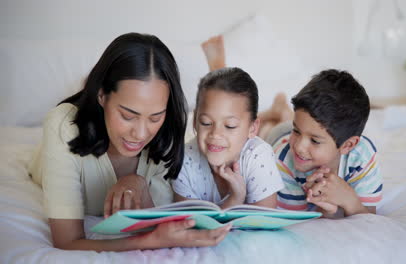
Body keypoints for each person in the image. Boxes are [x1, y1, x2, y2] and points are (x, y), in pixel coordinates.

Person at [28, 32, 230, 251]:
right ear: (102, 95)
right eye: (128, 115)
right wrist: (150, 241)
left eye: (155, 116)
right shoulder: (63, 126)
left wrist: (138, 183)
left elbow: (158, 217)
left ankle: (219, 74)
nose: (141, 134)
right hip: (46, 157)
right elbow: (67, 241)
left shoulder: (167, 133)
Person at [201, 35, 382, 218]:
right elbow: (294, 221)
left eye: (315, 140)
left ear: (348, 145)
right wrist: (327, 208)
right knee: (248, 133)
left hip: (293, 127)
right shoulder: (282, 158)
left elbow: (368, 217)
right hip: (278, 137)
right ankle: (220, 75)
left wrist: (349, 198)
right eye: (297, 131)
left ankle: (280, 111)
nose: (299, 146)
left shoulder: (363, 155)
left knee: (285, 124)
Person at [172, 67, 284, 209]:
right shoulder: (184, 160)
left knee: (275, 131)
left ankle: (279, 113)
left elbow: (264, 221)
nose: (215, 134)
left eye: (230, 126)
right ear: (195, 122)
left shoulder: (258, 156)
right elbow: (188, 223)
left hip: (272, 138)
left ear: (253, 128)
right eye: (206, 123)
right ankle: (275, 113)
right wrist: (235, 199)